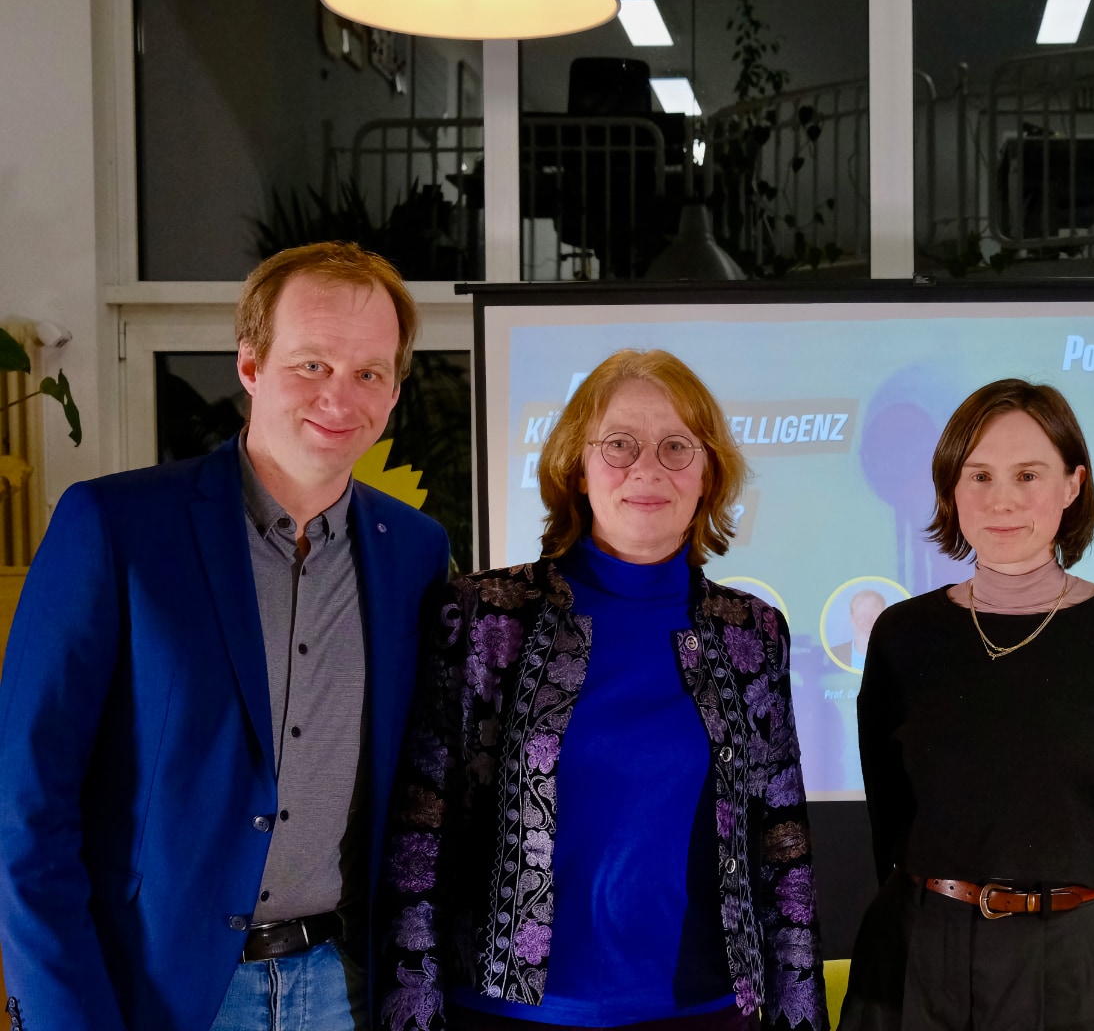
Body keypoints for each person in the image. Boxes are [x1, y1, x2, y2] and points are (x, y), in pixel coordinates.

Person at [0, 242, 452, 1031]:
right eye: (311, 364)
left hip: (345, 991)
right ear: (249, 364)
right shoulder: (115, 527)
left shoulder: (417, 553)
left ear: (394, 390)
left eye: (370, 372)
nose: (340, 396)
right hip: (158, 996)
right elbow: (27, 810)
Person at [377, 348, 826, 1031]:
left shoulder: (753, 632)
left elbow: (783, 842)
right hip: (511, 1015)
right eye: (619, 445)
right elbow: (421, 833)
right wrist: (410, 1011)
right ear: (576, 469)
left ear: (708, 474)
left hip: (703, 1012)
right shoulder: (483, 615)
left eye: (678, 446)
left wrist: (800, 1015)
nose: (647, 468)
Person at [842, 378, 1094, 1030]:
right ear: (950, 487)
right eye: (979, 476)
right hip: (924, 948)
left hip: (1072, 956)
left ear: (1072, 485)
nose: (1001, 500)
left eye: (1028, 474)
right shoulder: (905, 635)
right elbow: (890, 815)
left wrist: (1078, 924)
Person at [831, 588, 888, 671]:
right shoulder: (835, 655)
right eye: (863, 615)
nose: (868, 620)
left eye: (874, 615)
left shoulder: (898, 654)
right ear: (852, 618)